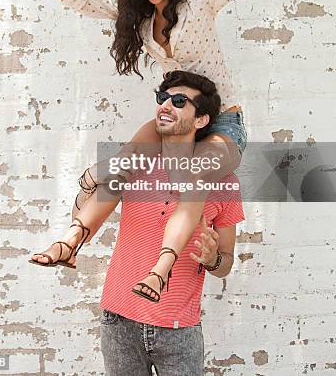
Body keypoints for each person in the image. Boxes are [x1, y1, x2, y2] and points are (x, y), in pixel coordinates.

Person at [0, 0, 319, 298]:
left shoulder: (200, 0)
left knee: (193, 178)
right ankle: (71, 242)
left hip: (220, 124)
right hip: (174, 119)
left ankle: (159, 270)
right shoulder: (138, 17)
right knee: (123, 166)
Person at [101, 70, 244, 376]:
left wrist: (212, 258)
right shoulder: (136, 165)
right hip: (119, 322)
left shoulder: (223, 181)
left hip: (179, 331)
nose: (165, 105)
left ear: (201, 119)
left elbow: (226, 263)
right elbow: (88, 206)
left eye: (179, 101)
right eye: (162, 98)